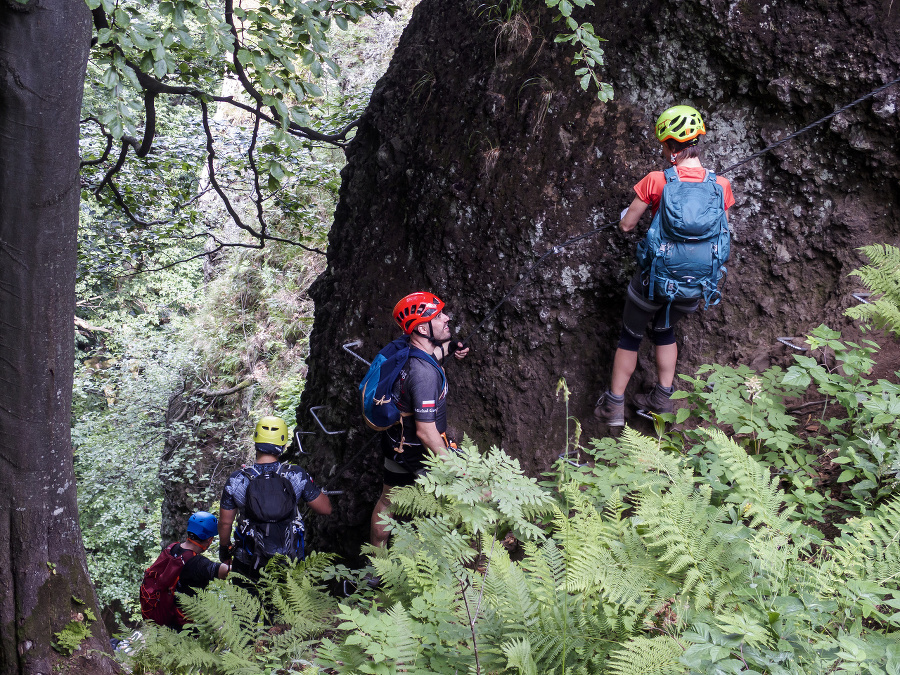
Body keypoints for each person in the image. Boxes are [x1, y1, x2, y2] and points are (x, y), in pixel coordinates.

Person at [595, 105, 735, 426]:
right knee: (665, 330)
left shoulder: (657, 180)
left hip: (653, 280)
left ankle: (613, 406)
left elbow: (628, 225)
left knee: (631, 336)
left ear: (669, 145)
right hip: (694, 285)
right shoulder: (721, 186)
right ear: (697, 139)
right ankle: (662, 399)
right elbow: (720, 235)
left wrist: (624, 217)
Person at [370, 292, 469, 547]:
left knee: (387, 502)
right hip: (418, 452)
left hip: (395, 444)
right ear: (423, 327)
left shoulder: (408, 349)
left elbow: (434, 353)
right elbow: (426, 432)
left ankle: (376, 563)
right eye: (438, 316)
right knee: (458, 503)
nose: (447, 318)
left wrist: (454, 345)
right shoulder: (424, 375)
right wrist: (458, 471)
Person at [218, 416, 332, 579]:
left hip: (248, 562)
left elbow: (225, 522)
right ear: (283, 445)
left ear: (256, 440)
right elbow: (325, 509)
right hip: (289, 560)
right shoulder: (295, 475)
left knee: (247, 603)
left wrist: (225, 548)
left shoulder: (237, 479)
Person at [139, 511, 229, 629]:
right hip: (184, 624)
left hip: (165, 614)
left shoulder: (172, 548)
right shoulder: (197, 563)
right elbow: (224, 571)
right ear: (209, 540)